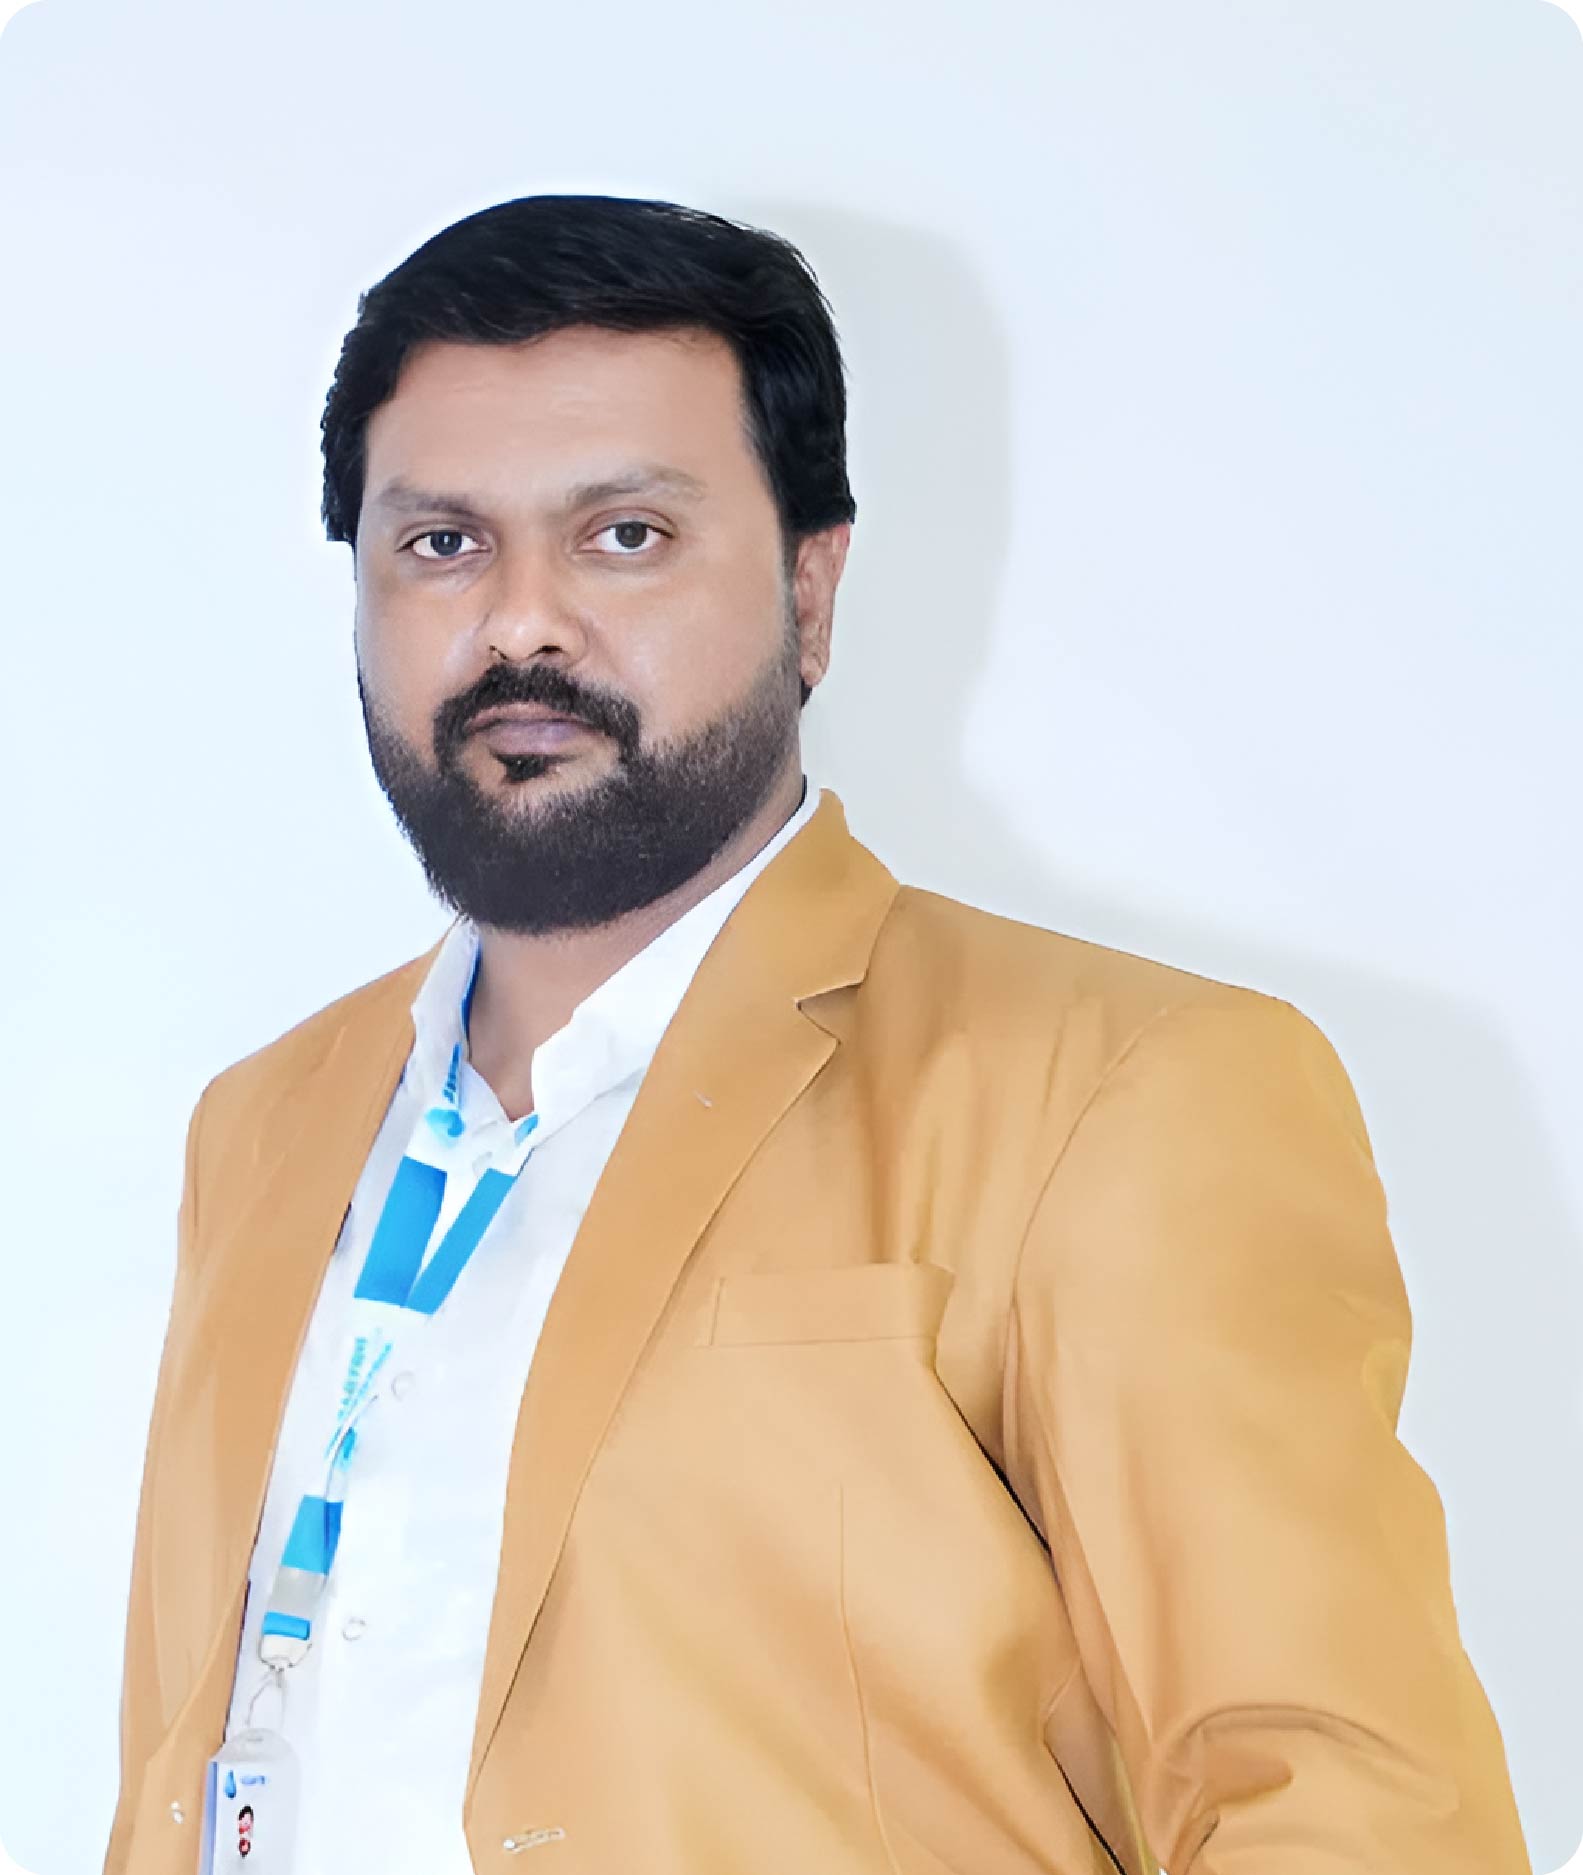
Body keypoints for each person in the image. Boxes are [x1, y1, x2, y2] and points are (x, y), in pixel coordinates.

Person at [104, 193, 1531, 1875]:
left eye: (624, 534)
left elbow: (1351, 1812)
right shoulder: (264, 1128)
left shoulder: (1121, 1091)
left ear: (811, 586)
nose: (521, 622)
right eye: (442, 544)